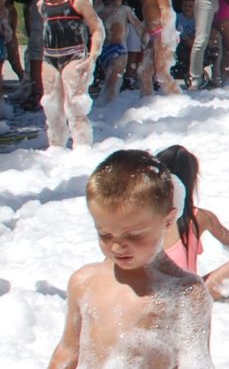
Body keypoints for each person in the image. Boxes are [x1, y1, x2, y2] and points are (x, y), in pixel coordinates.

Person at [49, 150, 213, 368]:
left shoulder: (185, 292)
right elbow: (67, 351)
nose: (117, 246)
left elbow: (195, 362)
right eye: (105, 234)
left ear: (168, 220)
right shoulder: (84, 283)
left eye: (134, 235)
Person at [156, 145, 229, 301]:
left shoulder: (141, 219)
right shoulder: (199, 217)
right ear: (192, 181)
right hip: (186, 300)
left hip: (149, 299)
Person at [36, 0, 105, 147]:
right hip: (50, 58)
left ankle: (82, 149)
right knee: (51, 107)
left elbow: (97, 29)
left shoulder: (78, 1)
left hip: (74, 56)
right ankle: (56, 147)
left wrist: (92, 57)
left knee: (75, 105)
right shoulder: (42, 5)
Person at [126, 0, 182, 97]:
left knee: (162, 72)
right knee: (144, 72)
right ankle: (146, 102)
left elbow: (166, 9)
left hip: (162, 33)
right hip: (152, 35)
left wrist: (167, 36)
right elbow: (147, 14)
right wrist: (144, 33)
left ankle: (177, 100)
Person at [95, 0, 142, 105]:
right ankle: (110, 106)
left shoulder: (99, 12)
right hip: (120, 50)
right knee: (115, 80)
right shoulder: (125, 10)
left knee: (109, 79)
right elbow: (139, 27)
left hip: (104, 51)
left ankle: (104, 105)